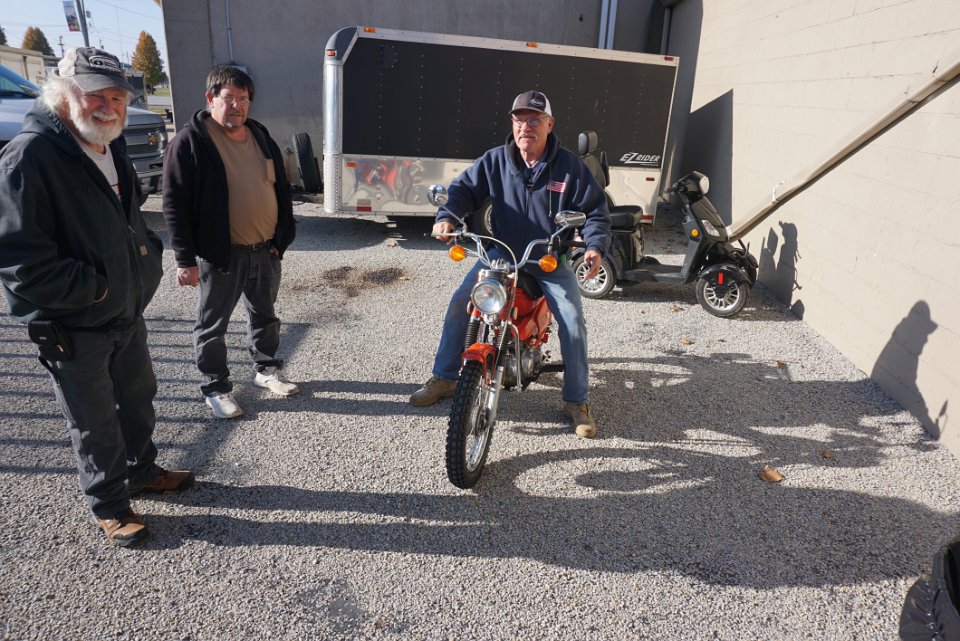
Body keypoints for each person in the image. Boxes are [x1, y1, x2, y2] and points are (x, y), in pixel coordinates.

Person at [0, 47, 194, 547]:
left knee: (138, 398)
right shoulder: (30, 156)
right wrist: (97, 287)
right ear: (64, 92)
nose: (109, 107)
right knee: (94, 420)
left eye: (118, 98)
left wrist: (146, 258)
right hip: (74, 322)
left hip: (125, 310)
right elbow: (19, 259)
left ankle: (142, 471)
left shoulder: (109, 144)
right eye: (96, 95)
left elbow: (128, 218)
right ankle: (109, 504)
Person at [410, 90, 611, 438]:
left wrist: (594, 246)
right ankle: (445, 377)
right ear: (512, 124)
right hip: (500, 254)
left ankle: (576, 401)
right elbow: (463, 190)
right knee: (461, 304)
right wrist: (447, 217)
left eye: (534, 120)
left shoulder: (569, 168)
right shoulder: (495, 161)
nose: (525, 127)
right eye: (519, 120)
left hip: (547, 258)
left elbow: (595, 210)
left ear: (549, 124)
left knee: (573, 322)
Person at [163, 66, 297, 419]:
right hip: (220, 255)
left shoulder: (260, 135)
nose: (236, 105)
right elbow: (174, 204)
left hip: (264, 249)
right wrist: (184, 259)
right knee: (212, 325)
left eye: (243, 98)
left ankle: (266, 370)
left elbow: (279, 188)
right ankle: (216, 387)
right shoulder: (190, 142)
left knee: (265, 316)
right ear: (210, 98)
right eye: (229, 98)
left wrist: (281, 237)